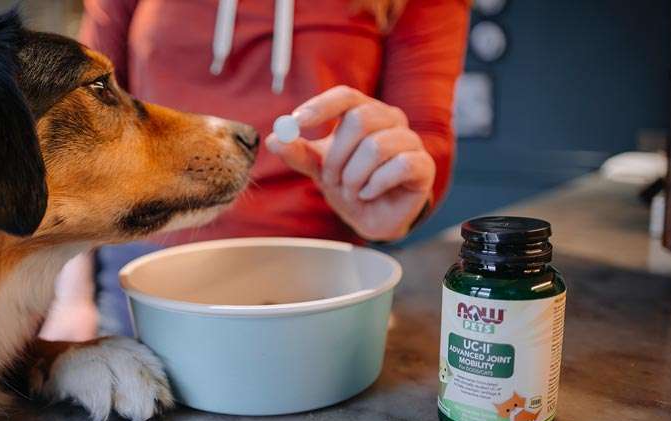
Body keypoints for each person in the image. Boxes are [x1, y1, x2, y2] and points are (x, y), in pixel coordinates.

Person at [38, 0, 469, 340]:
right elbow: (81, 123)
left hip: (315, 283)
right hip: (143, 277)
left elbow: (425, 133)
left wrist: (393, 190)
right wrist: (71, 299)